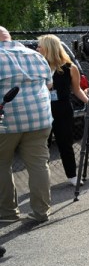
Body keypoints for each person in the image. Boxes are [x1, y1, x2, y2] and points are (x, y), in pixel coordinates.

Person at [0, 27, 53, 224]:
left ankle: (7, 213)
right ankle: (41, 212)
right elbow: (48, 85)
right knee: (39, 164)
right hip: (39, 119)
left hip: (6, 122)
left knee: (2, 165)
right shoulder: (36, 56)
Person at [36, 35, 89, 186]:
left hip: (63, 109)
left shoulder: (70, 68)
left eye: (40, 46)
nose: (37, 49)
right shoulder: (38, 66)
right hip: (43, 109)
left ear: (49, 48)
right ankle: (42, 180)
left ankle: (72, 175)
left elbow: (77, 90)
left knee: (65, 143)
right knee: (41, 147)